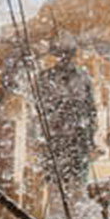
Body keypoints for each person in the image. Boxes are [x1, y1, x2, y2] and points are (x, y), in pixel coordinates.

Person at [41, 38, 97, 196]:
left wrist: (90, 140)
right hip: (63, 140)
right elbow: (91, 110)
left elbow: (91, 110)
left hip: (69, 140)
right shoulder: (47, 78)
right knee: (64, 186)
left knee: (68, 186)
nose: (64, 60)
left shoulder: (47, 78)